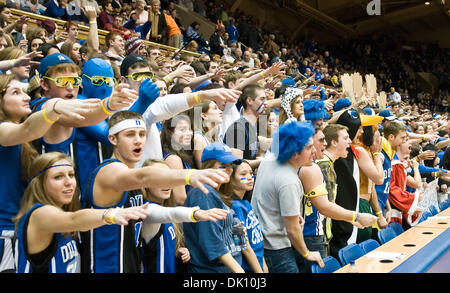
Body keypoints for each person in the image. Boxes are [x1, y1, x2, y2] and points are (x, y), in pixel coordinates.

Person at [79, 110, 230, 273]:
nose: (138, 141)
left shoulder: (132, 180)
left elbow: (151, 212)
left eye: (142, 134)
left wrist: (193, 214)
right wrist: (189, 175)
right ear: (113, 139)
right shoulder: (109, 171)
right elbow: (145, 176)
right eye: (130, 135)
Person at [0, 74, 100, 272]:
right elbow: (29, 130)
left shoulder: (20, 130)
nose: (26, 96)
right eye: (15, 92)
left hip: (23, 228)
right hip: (5, 232)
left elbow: (82, 119)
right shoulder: (3, 129)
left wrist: (108, 106)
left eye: (24, 91)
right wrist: (54, 108)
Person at [13, 152, 150, 273]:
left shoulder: (61, 217)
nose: (68, 182)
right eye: (58, 177)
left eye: (71, 175)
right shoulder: (39, 214)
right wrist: (110, 214)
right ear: (40, 183)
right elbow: (73, 220)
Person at [297, 125, 377, 272]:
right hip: (312, 232)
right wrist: (356, 217)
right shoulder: (323, 166)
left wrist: (353, 219)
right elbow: (325, 207)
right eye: (345, 138)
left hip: (317, 232)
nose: (350, 142)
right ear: (334, 142)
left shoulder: (327, 164)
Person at [251, 121, 324, 273]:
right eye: (309, 147)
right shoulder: (288, 181)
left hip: (263, 243)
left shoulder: (270, 159)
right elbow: (292, 229)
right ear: (294, 152)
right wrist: (306, 253)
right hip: (277, 249)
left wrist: (292, 215)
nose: (314, 151)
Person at [140, 159, 230, 273]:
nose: (165, 183)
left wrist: (177, 251)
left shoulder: (166, 209)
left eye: (168, 178)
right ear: (145, 184)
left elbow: (159, 248)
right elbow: (170, 214)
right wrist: (195, 213)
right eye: (159, 179)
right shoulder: (146, 209)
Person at [183, 142, 247, 273]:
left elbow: (240, 241)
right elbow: (212, 243)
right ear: (208, 167)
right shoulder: (203, 193)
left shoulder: (220, 194)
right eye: (222, 166)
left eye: (230, 165)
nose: (229, 169)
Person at [220, 160, 268, 273]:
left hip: (259, 263)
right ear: (231, 179)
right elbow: (243, 246)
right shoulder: (233, 207)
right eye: (243, 174)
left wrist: (264, 266)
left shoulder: (245, 203)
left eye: (251, 173)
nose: (250, 177)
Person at [224, 84, 267, 161]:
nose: (265, 103)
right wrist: (263, 162)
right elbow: (236, 165)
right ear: (249, 101)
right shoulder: (238, 129)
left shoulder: (252, 126)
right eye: (262, 99)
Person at [389, 137, 424, 230]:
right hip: (393, 209)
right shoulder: (396, 165)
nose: (407, 161)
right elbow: (417, 183)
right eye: (406, 158)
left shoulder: (401, 167)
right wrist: (416, 168)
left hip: (401, 208)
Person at [161, 113, 196, 205]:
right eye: (182, 130)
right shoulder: (173, 159)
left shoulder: (182, 155)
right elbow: (180, 199)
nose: (189, 133)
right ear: (170, 132)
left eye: (189, 129)